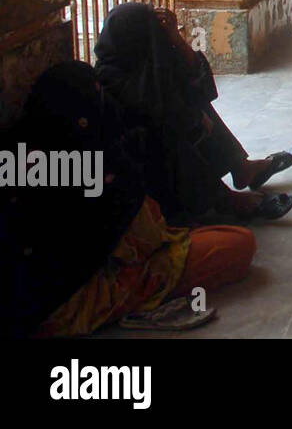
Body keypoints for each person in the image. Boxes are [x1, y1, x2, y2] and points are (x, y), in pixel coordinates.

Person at [1, 62, 256, 336]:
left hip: (28, 300)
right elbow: (144, 238)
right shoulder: (89, 158)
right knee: (237, 245)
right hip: (68, 302)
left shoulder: (20, 148)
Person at [93, 3, 292, 225]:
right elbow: (155, 113)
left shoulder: (147, 62)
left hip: (165, 133)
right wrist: (193, 118)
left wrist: (177, 40)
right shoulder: (110, 76)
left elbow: (201, 86)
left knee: (197, 106)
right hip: (146, 164)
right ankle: (224, 199)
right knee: (169, 134)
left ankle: (241, 168)